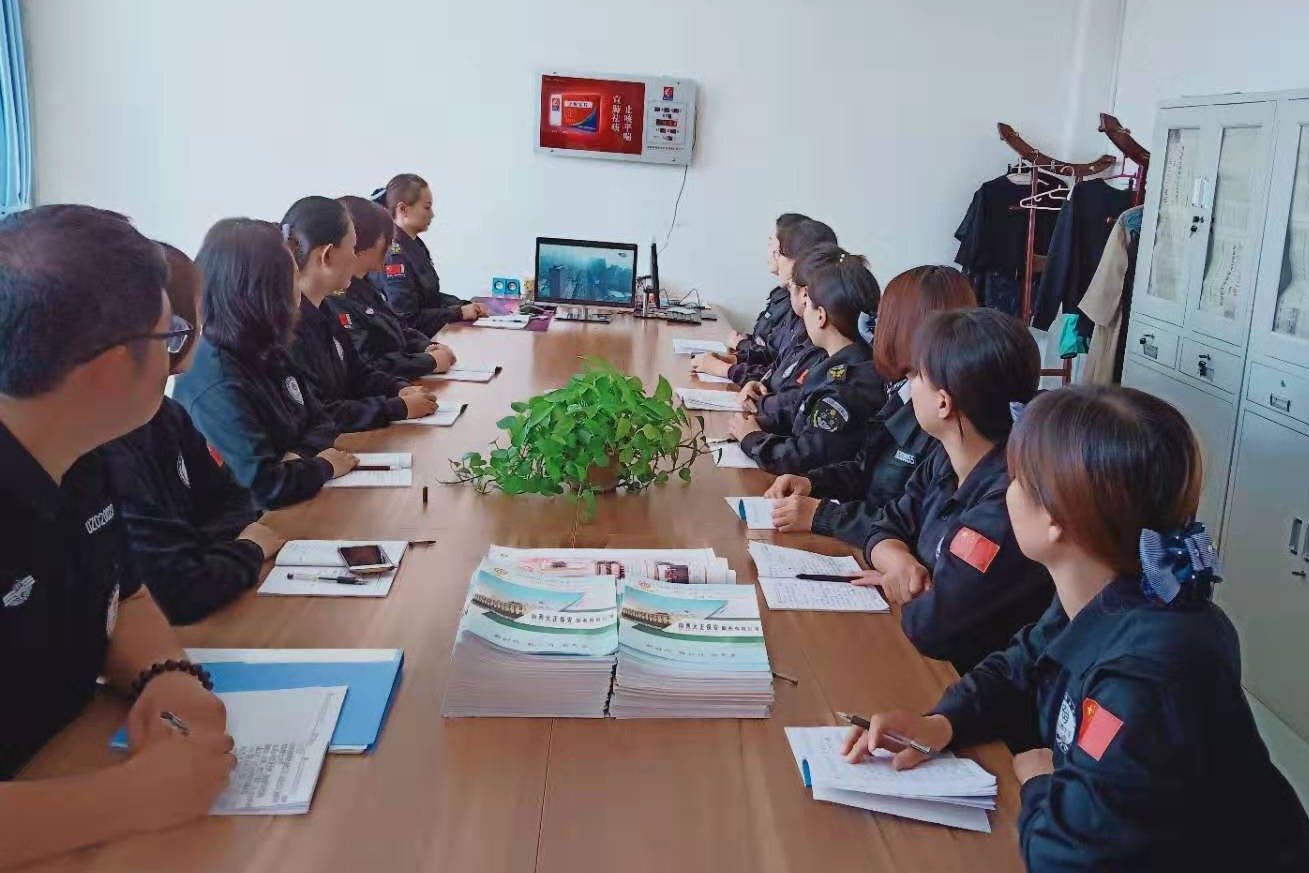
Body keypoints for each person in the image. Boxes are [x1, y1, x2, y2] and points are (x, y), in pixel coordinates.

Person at [842, 387, 1309, 873]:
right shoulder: (1107, 591)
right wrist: (942, 723)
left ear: (1056, 521)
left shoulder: (1147, 672)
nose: (1006, 491)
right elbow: (1020, 665)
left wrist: (1040, 782)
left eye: (1017, 480)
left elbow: (1066, 858)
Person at [0, 205, 235, 865]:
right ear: (107, 369)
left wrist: (166, 674)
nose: (175, 359)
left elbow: (124, 595)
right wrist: (127, 799)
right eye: (168, 337)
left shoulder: (80, 450)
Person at [851, 308, 1050, 673]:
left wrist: (910, 588)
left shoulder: (1006, 503)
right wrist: (901, 564)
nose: (909, 383)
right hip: (925, 658)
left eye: (916, 375)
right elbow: (887, 524)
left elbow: (933, 627)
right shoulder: (946, 457)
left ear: (943, 402)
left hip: (960, 679)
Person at [101, 244, 286, 625]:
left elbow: (234, 498)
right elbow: (177, 587)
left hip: (212, 590)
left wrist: (200, 551)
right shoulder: (107, 442)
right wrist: (245, 548)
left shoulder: (165, 414)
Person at [767, 266, 978, 545]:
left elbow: (913, 524)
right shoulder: (904, 394)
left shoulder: (944, 420)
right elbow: (866, 469)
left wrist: (824, 515)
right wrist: (812, 483)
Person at [174, 218, 358, 509]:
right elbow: (263, 487)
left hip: (299, 504)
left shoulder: (268, 348)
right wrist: (322, 466)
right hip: (258, 524)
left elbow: (323, 423)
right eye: (293, 277)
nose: (299, 289)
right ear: (263, 290)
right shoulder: (216, 378)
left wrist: (296, 460)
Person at [282, 196, 437, 432]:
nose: (356, 258)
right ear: (327, 255)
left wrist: (398, 388)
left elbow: (358, 373)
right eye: (352, 248)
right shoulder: (289, 327)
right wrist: (395, 408)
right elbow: (320, 413)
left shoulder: (322, 308)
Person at [728, 250, 884, 474]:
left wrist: (753, 439)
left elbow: (807, 457)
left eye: (808, 302)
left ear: (821, 316)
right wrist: (761, 422)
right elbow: (800, 415)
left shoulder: (848, 385)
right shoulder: (839, 363)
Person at [324, 195, 457, 380]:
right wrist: (428, 362)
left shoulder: (364, 285)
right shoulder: (334, 297)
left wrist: (427, 346)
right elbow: (367, 364)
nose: (390, 247)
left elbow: (398, 326)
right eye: (385, 239)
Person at [692, 217, 837, 382]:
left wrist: (727, 369)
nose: (775, 257)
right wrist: (734, 360)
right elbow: (776, 365)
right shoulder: (794, 307)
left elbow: (783, 382)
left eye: (779, 252)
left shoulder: (810, 323)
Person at [375, 173, 487, 336]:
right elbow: (407, 319)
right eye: (427, 207)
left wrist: (463, 305)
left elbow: (430, 298)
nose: (432, 215)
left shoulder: (414, 244)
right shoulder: (394, 255)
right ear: (403, 209)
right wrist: (458, 312)